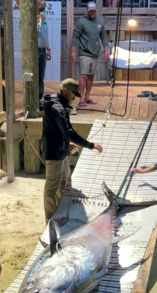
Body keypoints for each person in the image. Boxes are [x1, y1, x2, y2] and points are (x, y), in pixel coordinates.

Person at [41, 78, 103, 223]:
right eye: (73, 94)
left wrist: (66, 143)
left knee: (65, 182)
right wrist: (91, 145)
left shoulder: (59, 102)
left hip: (62, 149)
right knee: (51, 187)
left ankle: (61, 212)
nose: (74, 98)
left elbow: (56, 129)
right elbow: (69, 131)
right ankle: (50, 219)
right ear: (65, 91)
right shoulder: (57, 108)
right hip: (54, 153)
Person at [71, 2, 109, 108]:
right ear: (87, 11)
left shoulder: (100, 21)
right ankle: (81, 97)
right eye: (91, 11)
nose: (92, 13)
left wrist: (106, 49)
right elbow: (75, 36)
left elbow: (103, 37)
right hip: (84, 52)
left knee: (91, 76)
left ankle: (87, 97)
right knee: (83, 75)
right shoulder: (82, 22)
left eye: (94, 11)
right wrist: (73, 51)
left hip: (95, 53)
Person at [37, 0, 51, 100]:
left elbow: (45, 34)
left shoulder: (43, 16)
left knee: (41, 76)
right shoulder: (30, 17)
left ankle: (39, 98)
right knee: (34, 76)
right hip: (34, 51)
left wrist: (48, 49)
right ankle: (33, 99)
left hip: (43, 50)